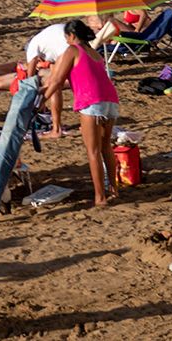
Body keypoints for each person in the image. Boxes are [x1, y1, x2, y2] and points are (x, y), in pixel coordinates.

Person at [41, 21, 120, 207]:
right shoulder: (94, 52)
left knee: (93, 151)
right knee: (106, 147)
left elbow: (57, 81)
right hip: (110, 100)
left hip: (91, 102)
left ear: (71, 36)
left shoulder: (72, 51)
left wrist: (40, 101)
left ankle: (100, 197)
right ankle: (114, 190)